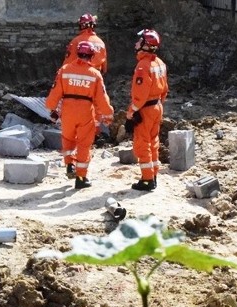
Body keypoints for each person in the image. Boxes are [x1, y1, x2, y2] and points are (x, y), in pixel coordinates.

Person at [46, 40, 114, 189]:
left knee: (68, 138)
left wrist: (52, 108)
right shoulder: (95, 74)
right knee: (84, 144)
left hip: (68, 110)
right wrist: (108, 114)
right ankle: (81, 178)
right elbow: (102, 97)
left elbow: (55, 92)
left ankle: (69, 164)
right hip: (85, 111)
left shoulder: (64, 70)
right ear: (91, 56)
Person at [124, 29, 168, 191]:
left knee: (142, 144)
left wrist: (131, 112)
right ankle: (153, 175)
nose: (136, 44)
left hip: (145, 108)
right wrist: (158, 105)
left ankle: (147, 180)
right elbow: (164, 90)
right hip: (157, 107)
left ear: (146, 45)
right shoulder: (160, 63)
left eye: (139, 41)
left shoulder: (143, 66)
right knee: (153, 142)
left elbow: (140, 95)